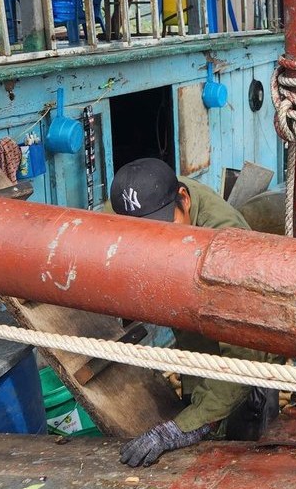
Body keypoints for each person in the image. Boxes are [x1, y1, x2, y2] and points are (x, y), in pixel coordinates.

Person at [108, 158, 278, 467]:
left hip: (249, 363)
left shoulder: (229, 245)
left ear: (184, 199)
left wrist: (178, 430)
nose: (155, 244)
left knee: (244, 454)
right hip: (196, 344)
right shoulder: (147, 197)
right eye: (142, 234)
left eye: (162, 230)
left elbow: (245, 360)